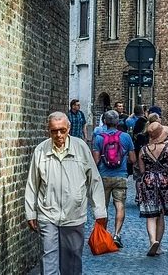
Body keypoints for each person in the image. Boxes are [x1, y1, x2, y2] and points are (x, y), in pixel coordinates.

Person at [25, 111, 106, 275]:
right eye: (54, 131)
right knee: (49, 258)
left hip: (74, 214)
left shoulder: (80, 147)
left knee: (73, 261)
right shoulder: (41, 151)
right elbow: (32, 184)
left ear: (68, 128)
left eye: (62, 130)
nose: (59, 134)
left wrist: (99, 211)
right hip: (48, 213)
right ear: (48, 130)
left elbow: (94, 180)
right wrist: (30, 213)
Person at [92, 110, 136, 248]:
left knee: (102, 207)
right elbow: (133, 159)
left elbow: (96, 160)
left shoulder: (98, 138)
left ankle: (103, 234)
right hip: (120, 176)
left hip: (103, 176)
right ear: (118, 122)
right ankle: (116, 234)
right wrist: (122, 159)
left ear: (105, 122)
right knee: (120, 205)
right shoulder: (126, 137)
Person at [136, 122, 168, 257]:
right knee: (161, 215)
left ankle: (152, 241)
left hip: (148, 182)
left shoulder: (143, 150)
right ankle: (158, 245)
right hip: (164, 183)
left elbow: (142, 170)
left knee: (150, 215)